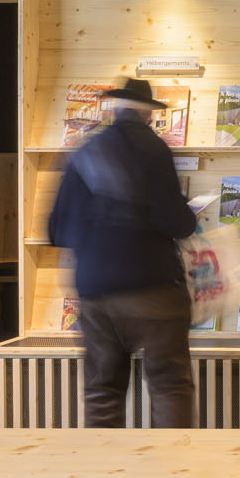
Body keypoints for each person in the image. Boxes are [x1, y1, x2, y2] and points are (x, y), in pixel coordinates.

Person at [47, 78, 199, 427]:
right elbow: (176, 223)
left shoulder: (84, 151)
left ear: (115, 108)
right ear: (148, 113)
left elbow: (56, 230)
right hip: (153, 289)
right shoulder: (154, 149)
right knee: (170, 385)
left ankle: (106, 459)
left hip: (95, 293)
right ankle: (174, 458)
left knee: (102, 390)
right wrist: (187, 215)